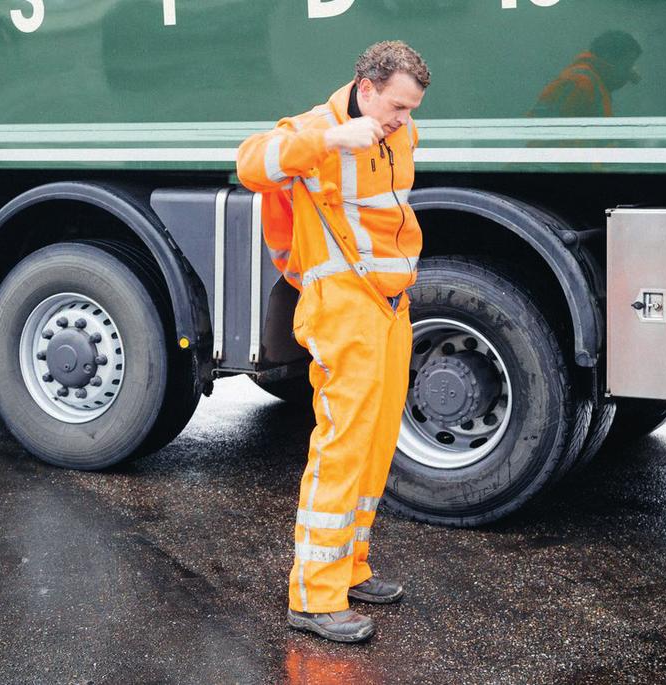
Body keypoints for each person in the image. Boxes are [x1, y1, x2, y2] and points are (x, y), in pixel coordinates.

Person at [236, 41, 430, 643]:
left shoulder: (402, 133)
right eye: (397, 105)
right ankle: (315, 597)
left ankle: (351, 567)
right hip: (343, 302)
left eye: (412, 108)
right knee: (343, 442)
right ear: (365, 89)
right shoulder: (317, 128)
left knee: (375, 439)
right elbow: (249, 164)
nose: (405, 119)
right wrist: (328, 142)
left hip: (390, 300)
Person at [528, 30, 642, 118]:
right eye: (627, 64)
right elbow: (560, 136)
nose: (631, 70)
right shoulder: (580, 82)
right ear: (607, 57)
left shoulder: (594, 80)